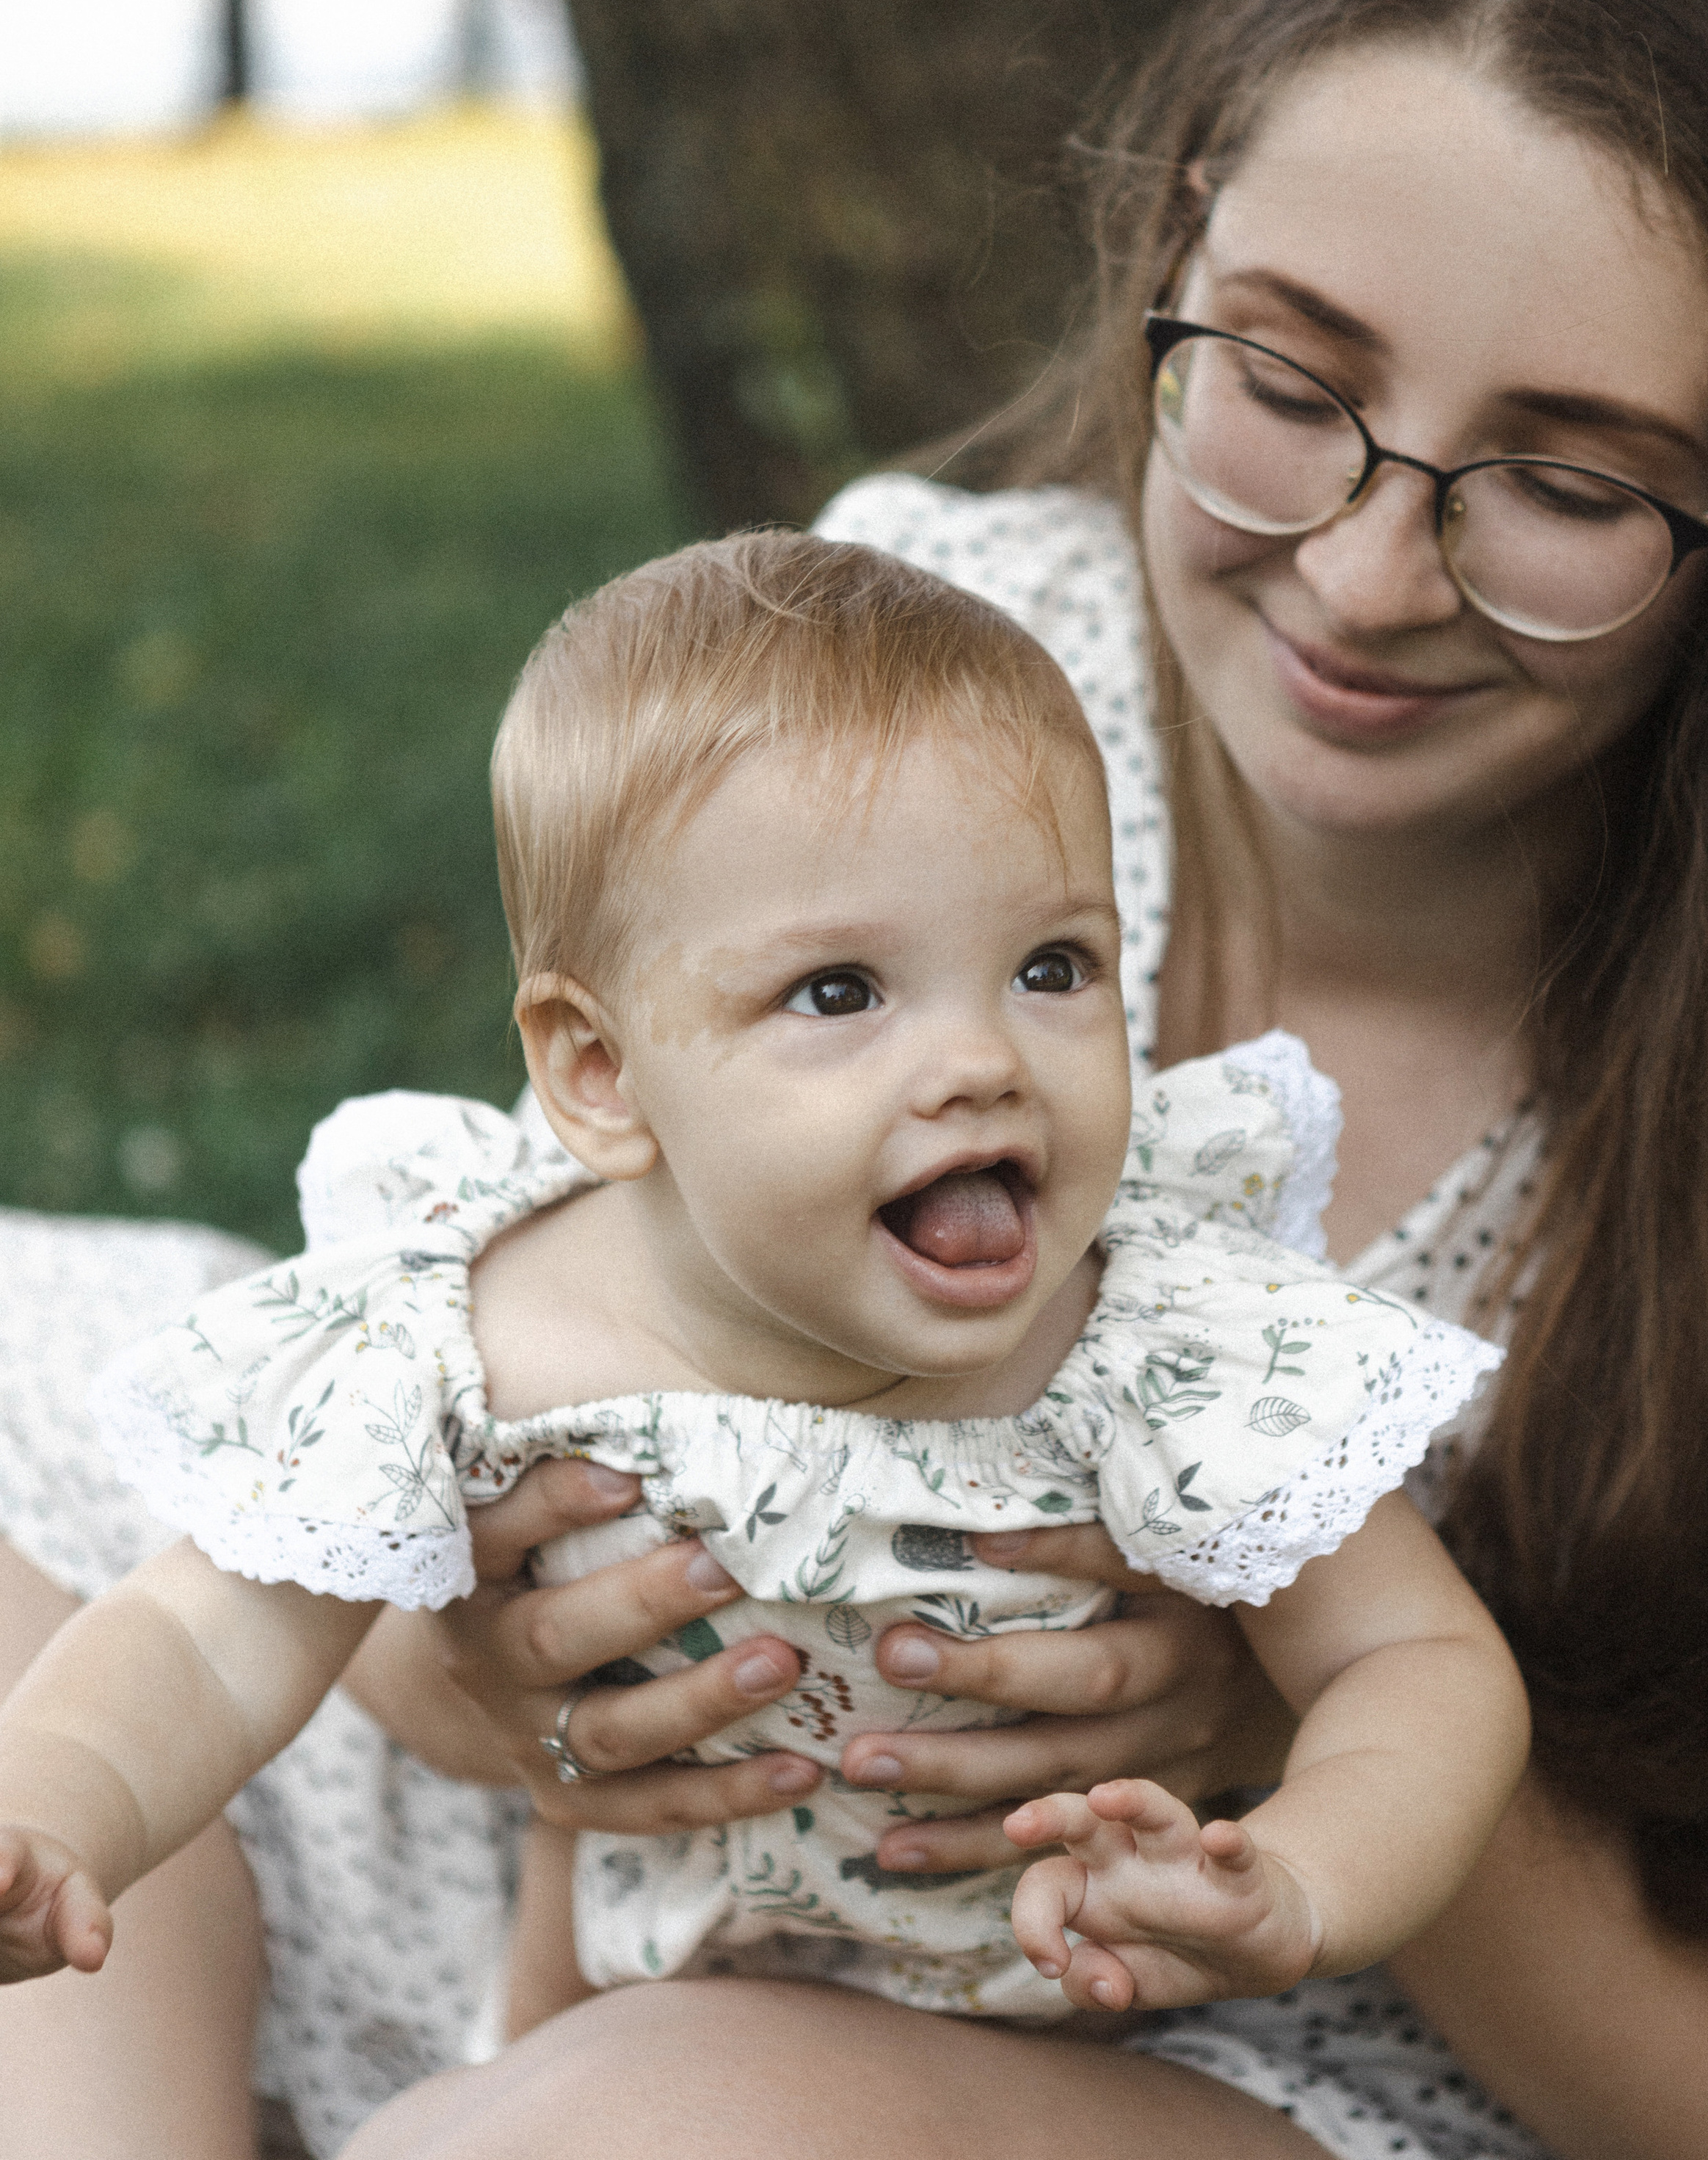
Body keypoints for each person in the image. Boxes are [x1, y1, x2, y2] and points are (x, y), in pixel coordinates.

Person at [2, 0, 1708, 2159]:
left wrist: (1262, 1751)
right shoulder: (972, 656)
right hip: (561, 1874)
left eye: (1570, 484)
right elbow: (474, 1350)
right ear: (1177, 238)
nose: (1372, 574)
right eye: (1291, 383)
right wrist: (454, 1657)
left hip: (1196, 2050)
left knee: (640, 2122)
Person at [0, 534, 1522, 2040]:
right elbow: (205, 1637)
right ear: (599, 1076)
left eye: (1050, 967)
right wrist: (55, 1814)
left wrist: (1295, 1880)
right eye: (838, 993)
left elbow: (1419, 1663)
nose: (983, 1059)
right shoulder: (480, 1338)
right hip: (591, 2000)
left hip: (1044, 2047)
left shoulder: (1154, 1346)